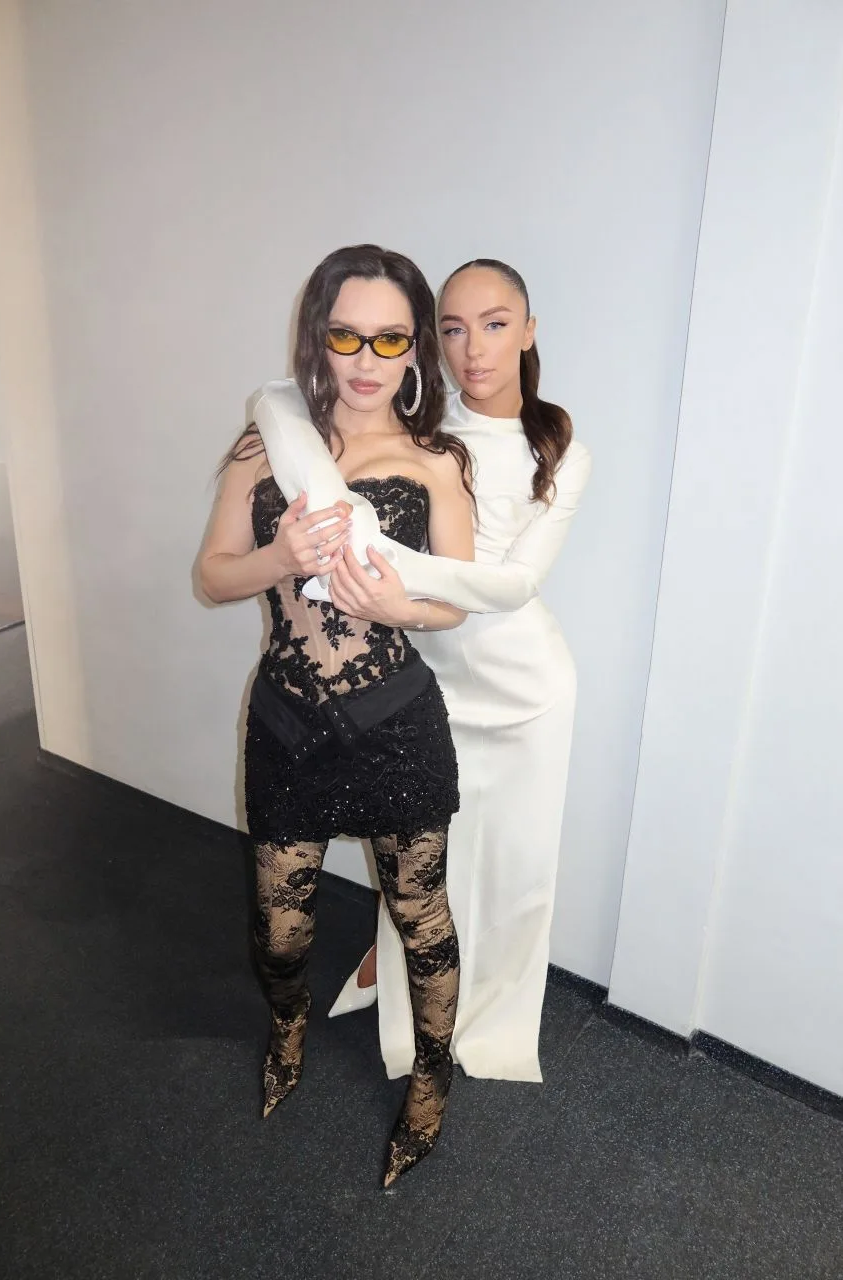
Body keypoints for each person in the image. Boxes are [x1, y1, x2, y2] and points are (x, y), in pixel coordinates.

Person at [253, 258, 591, 1083]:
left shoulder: (560, 447)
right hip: (427, 683)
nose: (474, 348)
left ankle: (496, 1015)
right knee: (424, 864)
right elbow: (288, 407)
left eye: (496, 324)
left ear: (529, 331)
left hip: (522, 687)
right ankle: (397, 981)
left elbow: (512, 585)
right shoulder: (423, 433)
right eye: (454, 328)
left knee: (513, 870)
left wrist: (392, 585)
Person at [199, 244, 474, 1187]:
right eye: (346, 335)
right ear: (317, 336)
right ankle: (288, 1029)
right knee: (280, 931)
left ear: (415, 348)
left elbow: (457, 602)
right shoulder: (264, 448)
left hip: (398, 723)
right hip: (287, 723)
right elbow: (212, 576)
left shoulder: (437, 461)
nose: (365, 359)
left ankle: (432, 1079)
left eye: (390, 337)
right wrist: (278, 558)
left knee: (421, 919)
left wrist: (399, 606)